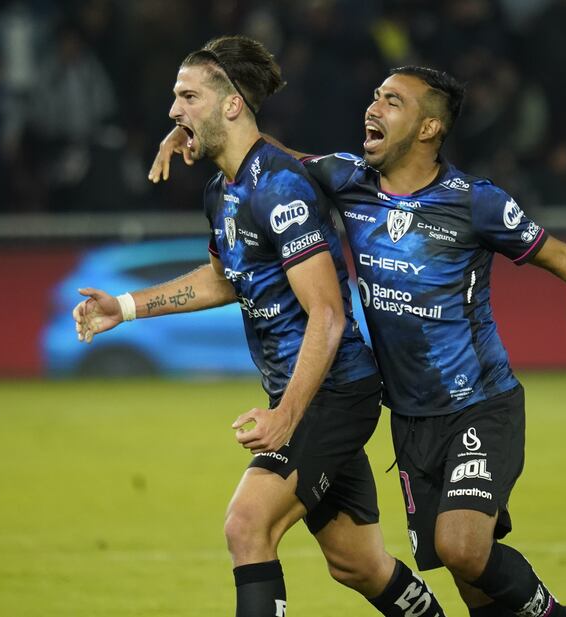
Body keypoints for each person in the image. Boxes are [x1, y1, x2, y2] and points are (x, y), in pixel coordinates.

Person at [150, 59, 566, 617]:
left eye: (392, 102)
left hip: (480, 405)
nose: (373, 108)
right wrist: (192, 126)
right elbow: (262, 155)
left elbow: (557, 255)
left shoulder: (475, 202)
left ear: (428, 128)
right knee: (470, 579)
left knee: (462, 545)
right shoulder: (346, 179)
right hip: (410, 420)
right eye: (376, 96)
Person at [74, 37, 448, 617]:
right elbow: (226, 279)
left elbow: (328, 313)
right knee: (357, 563)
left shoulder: (279, 189)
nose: (173, 111)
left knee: (247, 526)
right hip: (304, 392)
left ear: (230, 106)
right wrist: (123, 307)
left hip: (333, 393)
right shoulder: (223, 191)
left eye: (188, 96)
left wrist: (285, 416)